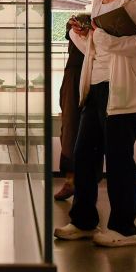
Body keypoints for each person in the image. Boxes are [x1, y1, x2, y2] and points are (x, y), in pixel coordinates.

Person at [54, 0, 136, 247]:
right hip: (96, 86)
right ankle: (84, 220)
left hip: (119, 90)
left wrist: (107, 41)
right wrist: (81, 35)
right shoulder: (99, 0)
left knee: (119, 158)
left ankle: (125, 228)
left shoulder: (132, 1)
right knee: (85, 155)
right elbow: (98, 46)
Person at [55, 13, 90, 201]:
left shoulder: (94, 37)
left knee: (85, 131)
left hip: (90, 75)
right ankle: (72, 181)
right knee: (70, 129)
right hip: (75, 77)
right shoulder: (76, 34)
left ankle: (82, 183)